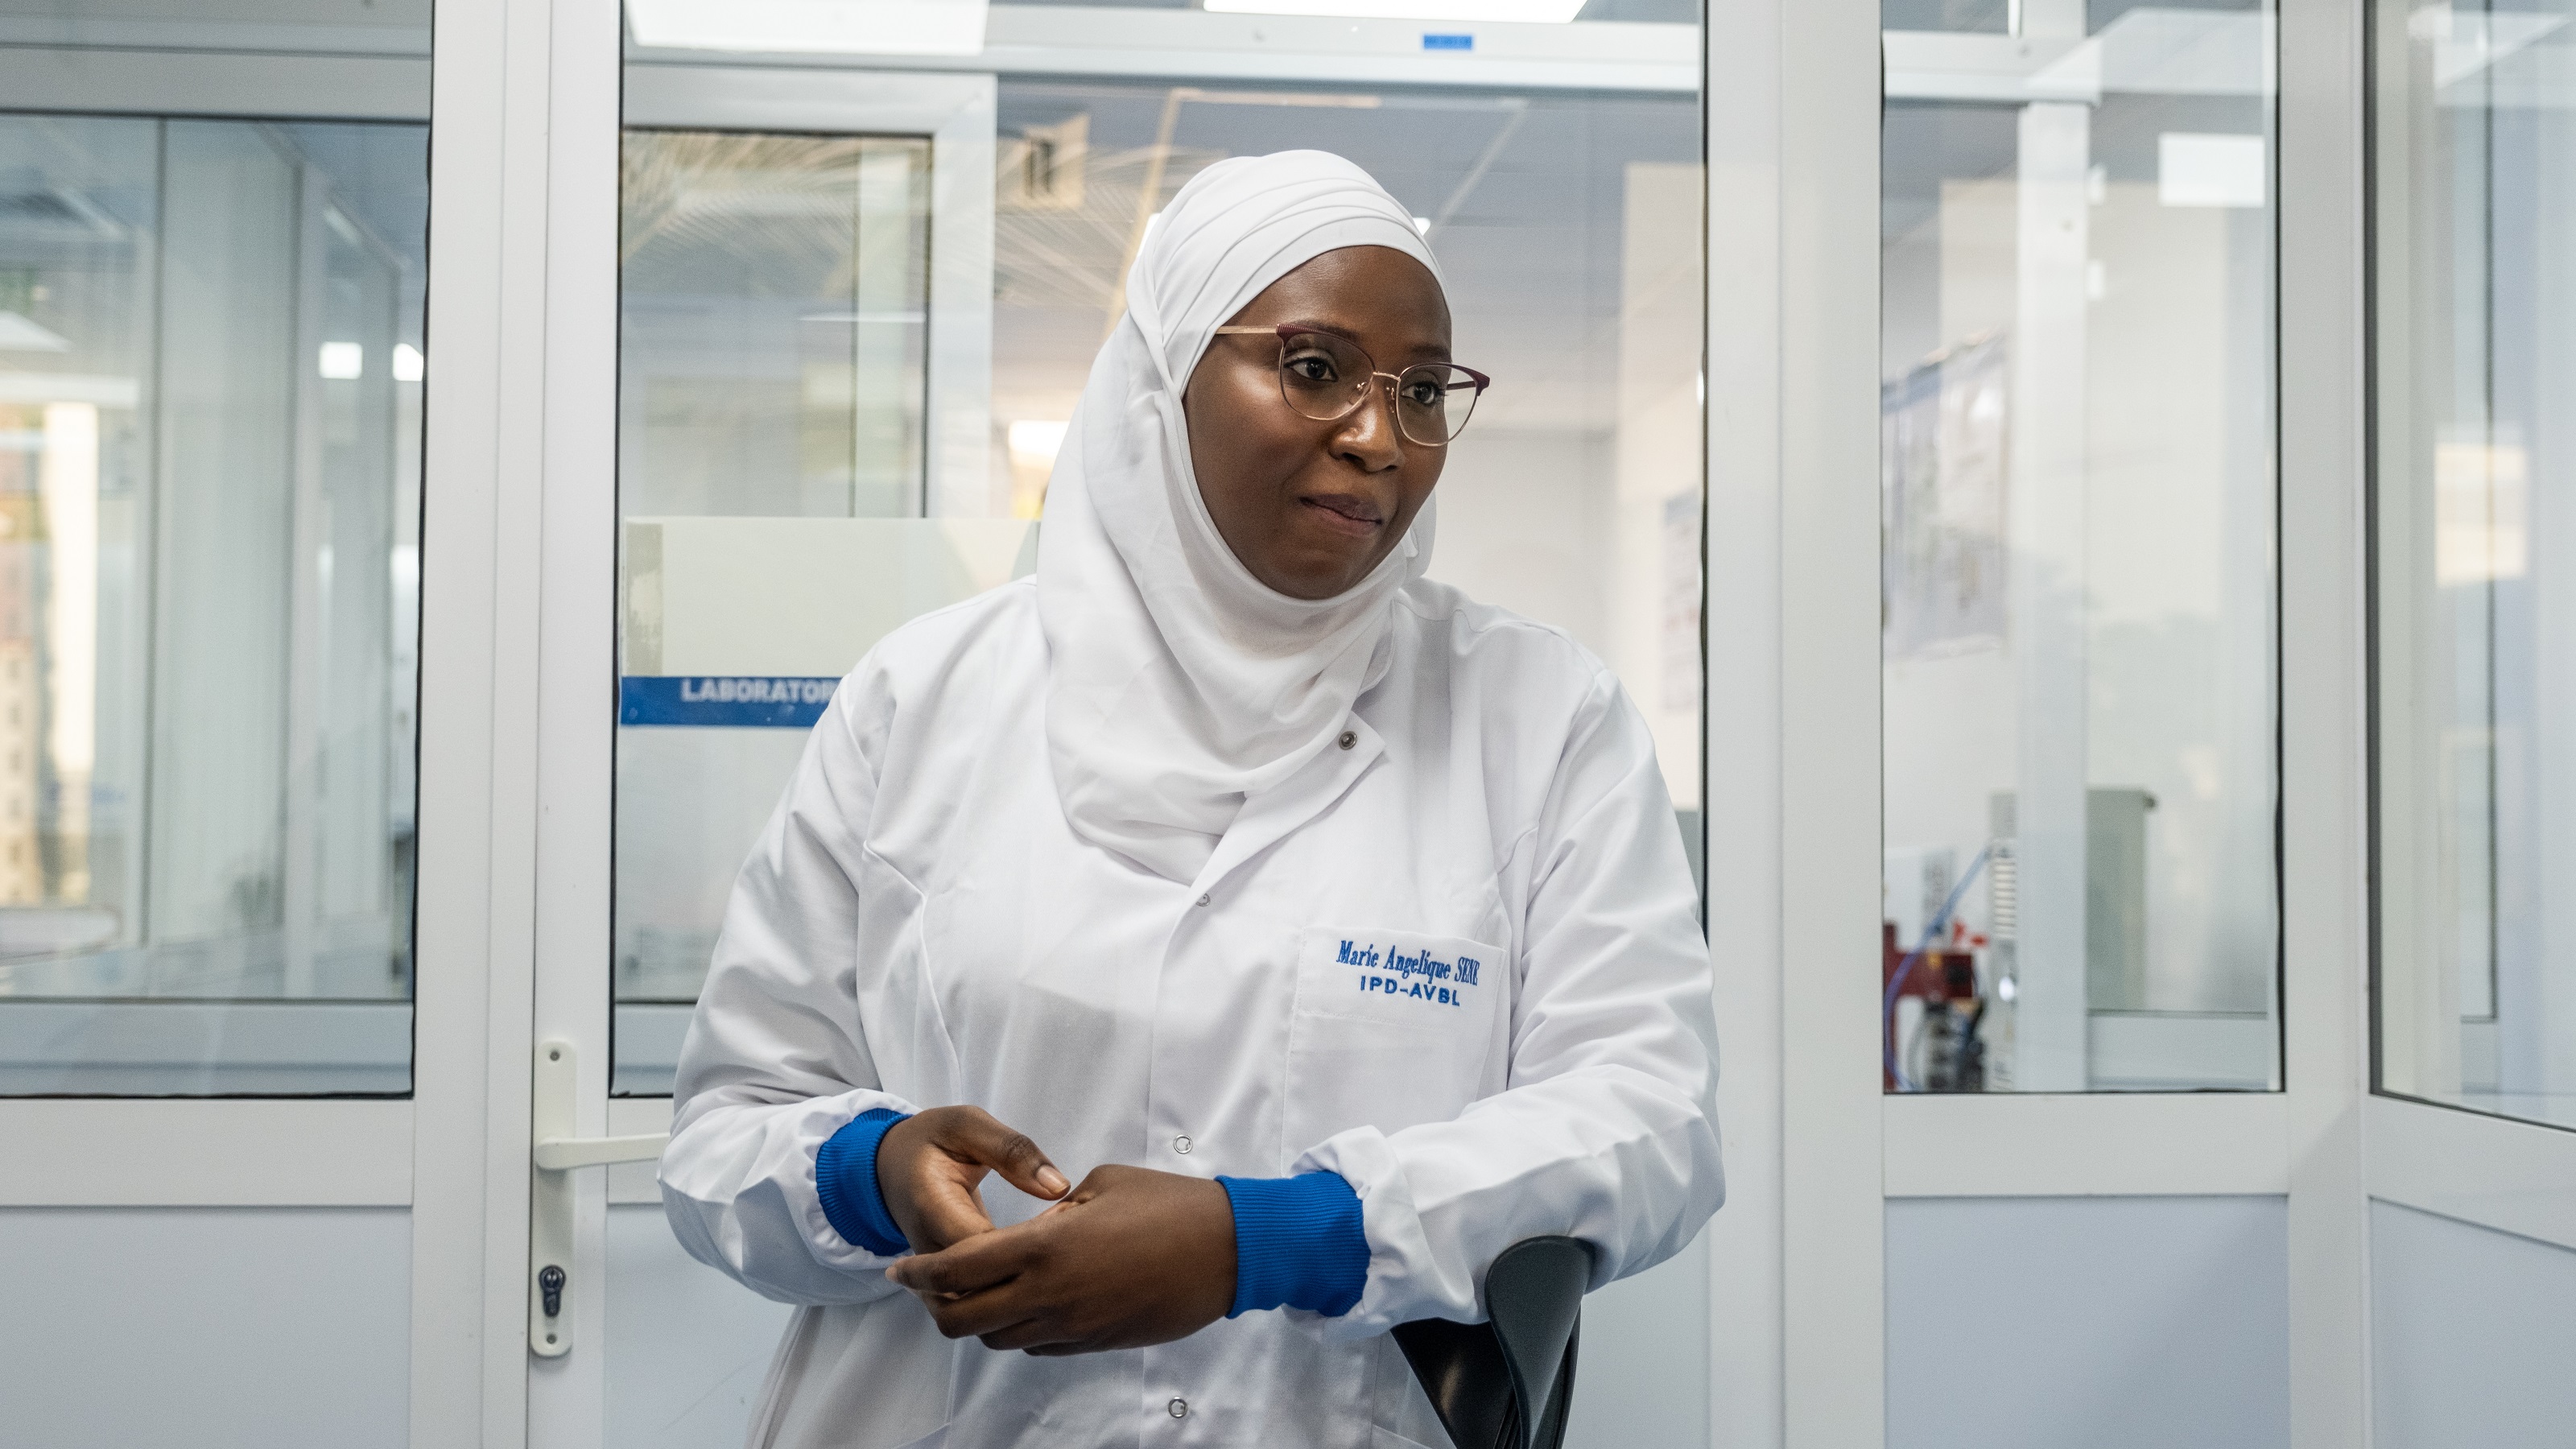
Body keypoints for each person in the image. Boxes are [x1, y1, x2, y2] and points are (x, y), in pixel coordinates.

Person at [660, 148, 1722, 1449]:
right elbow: (722, 1138)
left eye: (1425, 388)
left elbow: (1647, 1120)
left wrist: (1272, 1240)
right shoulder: (924, 699)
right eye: (1315, 367)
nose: (1381, 437)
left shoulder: (1540, 718)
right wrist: (871, 1173)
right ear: (1165, 380)